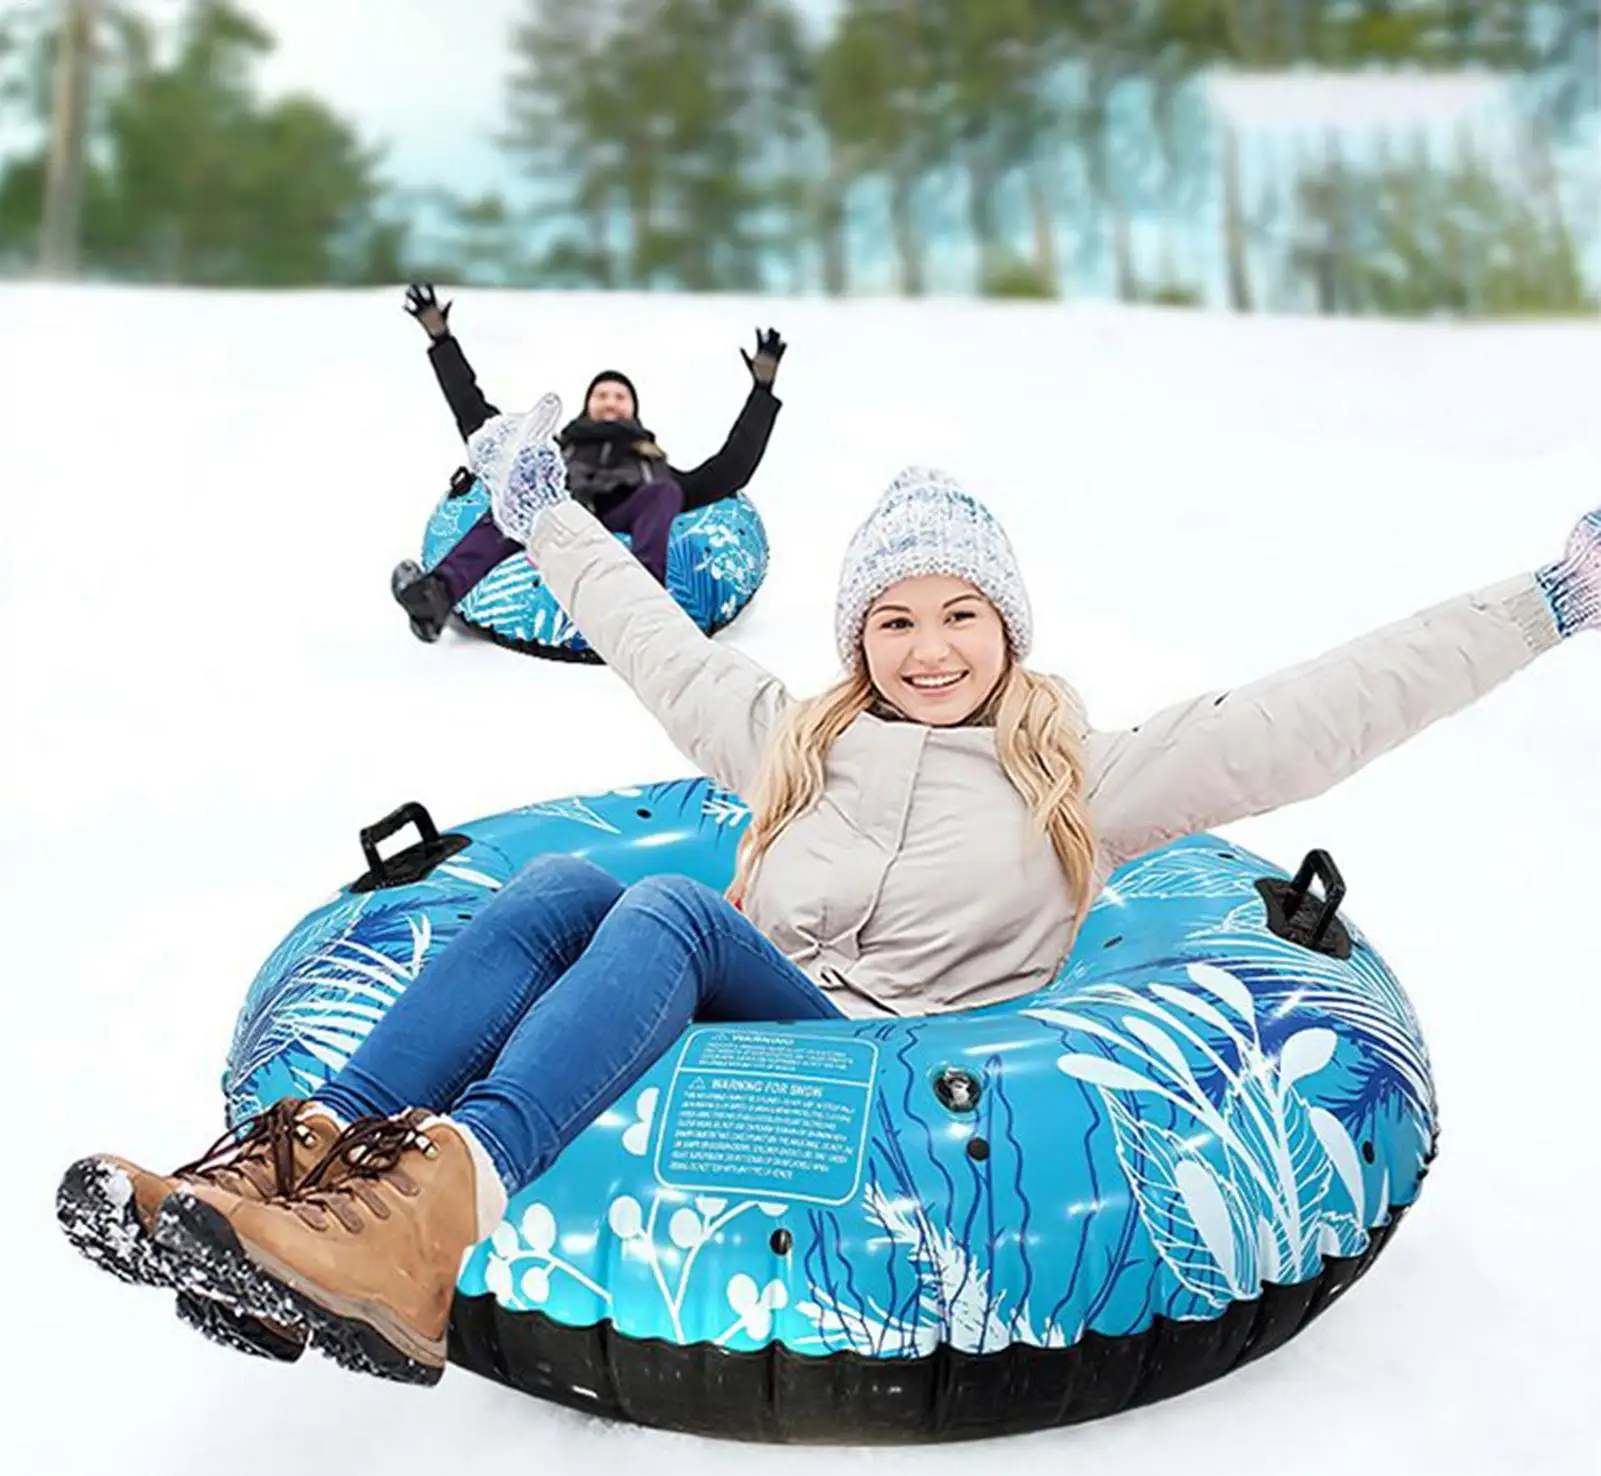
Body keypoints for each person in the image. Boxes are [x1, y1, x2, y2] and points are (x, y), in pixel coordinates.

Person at [58, 392, 1601, 1387]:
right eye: (894, 619)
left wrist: (1550, 599)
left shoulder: (1090, 776)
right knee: (566, 893)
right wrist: (538, 512)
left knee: (659, 912)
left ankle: (438, 1212)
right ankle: (284, 1172)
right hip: (735, 997)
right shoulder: (795, 741)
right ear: (858, 635)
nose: (928, 649)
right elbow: (653, 638)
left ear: (1007, 627)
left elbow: (1326, 703)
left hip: (889, 1067)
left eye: (961, 616)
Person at [390, 285, 788, 641]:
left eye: (619, 396)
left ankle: (646, 609)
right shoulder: (553, 451)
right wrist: (441, 339)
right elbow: (480, 422)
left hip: (629, 516)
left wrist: (762, 391)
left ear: (633, 409)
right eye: (602, 395)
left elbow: (731, 468)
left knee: (664, 493)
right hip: (560, 513)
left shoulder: (656, 469)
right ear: (588, 406)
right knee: (512, 500)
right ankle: (435, 597)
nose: (611, 401)